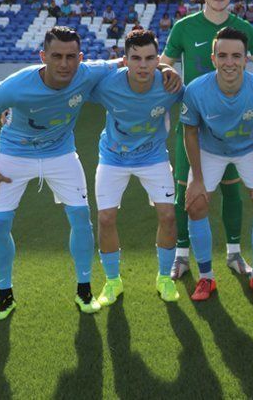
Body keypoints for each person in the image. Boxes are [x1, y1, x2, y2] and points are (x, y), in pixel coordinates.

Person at [0, 27, 180, 321]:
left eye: (70, 57)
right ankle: (4, 296)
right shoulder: (15, 86)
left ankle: (84, 290)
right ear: (43, 56)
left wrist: (165, 67)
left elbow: (128, 61)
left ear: (80, 58)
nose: (64, 64)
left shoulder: (88, 73)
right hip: (13, 154)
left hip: (61, 154)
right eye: (56, 56)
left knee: (80, 218)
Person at [160, 0, 253, 281]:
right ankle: (182, 256)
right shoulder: (184, 27)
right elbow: (166, 62)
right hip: (194, 125)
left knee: (233, 193)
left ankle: (234, 254)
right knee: (187, 193)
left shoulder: (242, 28)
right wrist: (167, 71)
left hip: (235, 128)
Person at [180, 27, 253, 300]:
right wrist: (197, 178)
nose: (229, 62)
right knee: (196, 204)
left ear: (247, 59)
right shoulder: (197, 90)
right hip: (211, 150)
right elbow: (190, 132)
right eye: (223, 56)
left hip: (249, 149)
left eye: (236, 56)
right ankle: (206, 278)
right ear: (213, 59)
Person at [89, 29, 183, 305]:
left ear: (158, 59)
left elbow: (199, 101)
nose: (143, 65)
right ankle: (112, 281)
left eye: (150, 58)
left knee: (168, 216)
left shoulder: (169, 85)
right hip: (113, 157)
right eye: (136, 58)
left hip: (153, 156)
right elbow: (68, 90)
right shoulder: (107, 85)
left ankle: (164, 277)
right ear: (125, 60)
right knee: (106, 218)